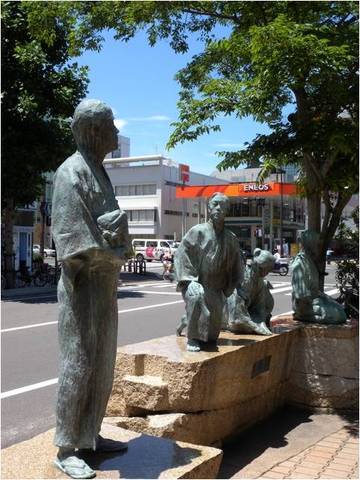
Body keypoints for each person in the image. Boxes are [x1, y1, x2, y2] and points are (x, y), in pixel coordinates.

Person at [52, 99, 131, 479]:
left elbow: (103, 229)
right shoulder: (72, 173)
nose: (117, 132)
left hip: (104, 287)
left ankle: (90, 435)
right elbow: (72, 245)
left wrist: (118, 232)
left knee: (102, 364)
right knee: (79, 364)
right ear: (95, 131)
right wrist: (114, 246)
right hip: (82, 289)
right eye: (111, 125)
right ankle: (67, 445)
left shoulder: (98, 170)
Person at [174, 192, 244, 352]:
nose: (219, 208)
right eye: (216, 204)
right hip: (196, 283)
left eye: (224, 206)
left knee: (212, 337)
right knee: (197, 296)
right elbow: (182, 255)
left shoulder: (230, 238)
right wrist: (190, 280)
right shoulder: (197, 232)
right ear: (209, 206)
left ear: (227, 211)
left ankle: (188, 320)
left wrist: (236, 285)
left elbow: (236, 264)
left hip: (216, 288)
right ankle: (192, 337)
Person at [292, 230, 346, 324]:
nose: (317, 246)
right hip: (304, 306)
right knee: (338, 315)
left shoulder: (309, 261)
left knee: (340, 309)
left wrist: (326, 298)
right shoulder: (299, 263)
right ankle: (302, 316)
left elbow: (315, 290)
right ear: (309, 244)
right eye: (315, 243)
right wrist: (315, 302)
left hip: (315, 301)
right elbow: (301, 296)